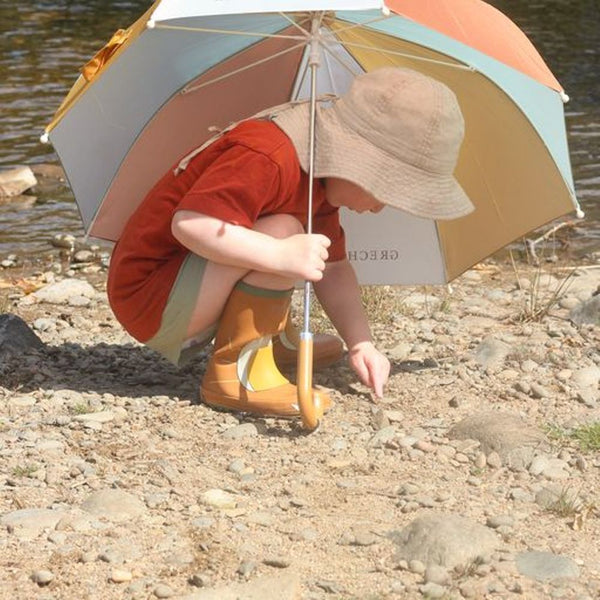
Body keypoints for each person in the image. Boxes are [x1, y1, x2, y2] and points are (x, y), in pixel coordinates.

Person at [106, 67, 473, 418]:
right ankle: (238, 375)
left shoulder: (319, 178)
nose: (380, 208)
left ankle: (268, 341)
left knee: (297, 239)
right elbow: (189, 224)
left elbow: (334, 269)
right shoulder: (267, 153)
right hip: (151, 298)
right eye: (387, 191)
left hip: (189, 292)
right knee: (285, 232)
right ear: (358, 161)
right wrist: (278, 253)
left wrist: (361, 343)